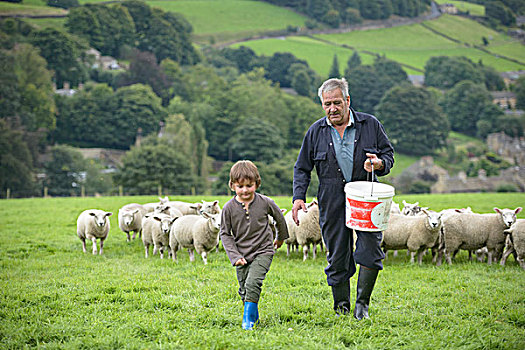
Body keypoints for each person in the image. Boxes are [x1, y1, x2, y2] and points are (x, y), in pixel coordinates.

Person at [292, 77, 394, 320]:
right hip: (331, 200)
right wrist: (298, 197)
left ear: (347, 100)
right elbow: (302, 168)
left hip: (367, 199)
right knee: (337, 255)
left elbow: (388, 155)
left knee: (370, 250)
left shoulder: (370, 124)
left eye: (337, 102)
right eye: (327, 104)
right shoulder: (315, 131)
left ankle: (362, 306)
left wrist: (379, 164)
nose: (332, 109)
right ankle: (341, 308)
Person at [219, 160, 289, 330]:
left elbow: (279, 219)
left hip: (263, 250)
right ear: (232, 186)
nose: (244, 190)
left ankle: (248, 321)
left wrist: (280, 238)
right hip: (241, 253)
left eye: (249, 185)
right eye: (240, 186)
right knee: (244, 288)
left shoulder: (265, 202)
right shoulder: (228, 208)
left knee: (253, 283)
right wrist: (234, 256)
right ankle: (253, 316)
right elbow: (225, 234)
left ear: (257, 184)